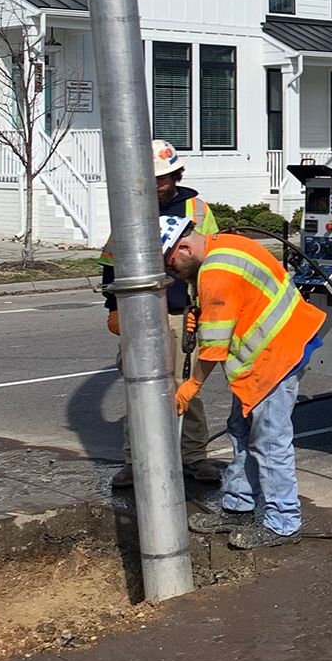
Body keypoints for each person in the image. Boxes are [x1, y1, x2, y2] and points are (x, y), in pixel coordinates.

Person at [160, 215, 325, 549]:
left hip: (276, 357)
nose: (171, 271)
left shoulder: (217, 273)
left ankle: (283, 523)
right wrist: (203, 310)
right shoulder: (224, 245)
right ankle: (238, 507)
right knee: (239, 429)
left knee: (268, 441)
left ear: (186, 246)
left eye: (171, 263)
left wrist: (191, 386)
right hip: (272, 350)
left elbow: (215, 348)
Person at [103, 140, 219, 487]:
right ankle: (134, 460)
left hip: (182, 312)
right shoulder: (130, 209)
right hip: (139, 314)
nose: (157, 185)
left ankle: (194, 457)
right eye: (150, 178)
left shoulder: (197, 210)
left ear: (175, 175)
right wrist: (113, 308)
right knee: (139, 388)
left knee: (186, 388)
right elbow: (111, 261)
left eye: (163, 178)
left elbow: (212, 261)